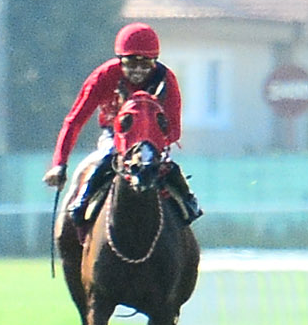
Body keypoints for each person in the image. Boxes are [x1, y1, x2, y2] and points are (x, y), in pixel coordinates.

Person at [43, 23, 201, 231]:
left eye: (146, 64)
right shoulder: (103, 76)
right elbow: (75, 121)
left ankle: (188, 201)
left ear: (155, 62)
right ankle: (82, 201)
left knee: (166, 166)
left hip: (153, 138)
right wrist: (60, 164)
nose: (138, 71)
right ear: (120, 60)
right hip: (116, 134)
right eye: (131, 63)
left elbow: (174, 130)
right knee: (108, 156)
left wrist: (153, 144)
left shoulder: (166, 79)